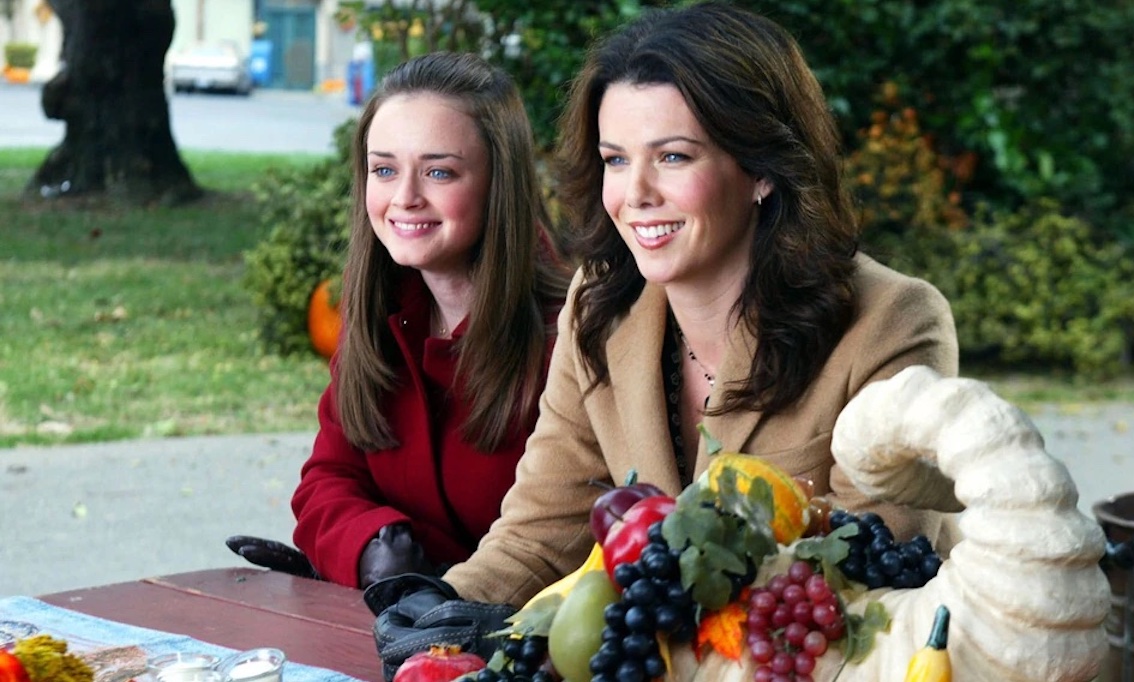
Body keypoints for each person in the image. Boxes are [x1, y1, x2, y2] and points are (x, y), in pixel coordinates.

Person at [372, 1, 963, 665]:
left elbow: (869, 588)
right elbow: (541, 530)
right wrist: (446, 610)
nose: (636, 193)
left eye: (674, 156)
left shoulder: (892, 323)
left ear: (763, 169)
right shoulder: (599, 307)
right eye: (615, 160)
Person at [226, 51, 572, 590]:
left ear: (498, 183)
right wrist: (371, 547)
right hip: (393, 635)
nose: (405, 198)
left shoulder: (569, 334)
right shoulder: (381, 316)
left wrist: (427, 580)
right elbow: (328, 480)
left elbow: (559, 537)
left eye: (438, 172)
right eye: (384, 170)